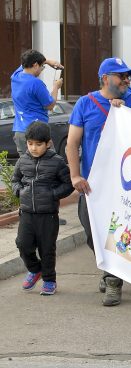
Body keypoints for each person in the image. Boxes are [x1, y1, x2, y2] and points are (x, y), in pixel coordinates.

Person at [66, 57, 131, 306]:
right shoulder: (85, 103)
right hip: (92, 185)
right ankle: (108, 268)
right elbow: (72, 143)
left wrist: (125, 114)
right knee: (92, 233)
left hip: (123, 186)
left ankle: (113, 281)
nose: (126, 80)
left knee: (116, 233)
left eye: (128, 76)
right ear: (105, 78)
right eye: (121, 76)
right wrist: (75, 176)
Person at [11, 121, 74, 295]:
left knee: (47, 249)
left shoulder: (57, 162)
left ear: (48, 143)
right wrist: (19, 191)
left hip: (48, 215)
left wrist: (52, 194)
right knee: (22, 244)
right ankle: (35, 269)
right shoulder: (23, 160)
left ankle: (49, 280)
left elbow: (68, 184)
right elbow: (15, 180)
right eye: (30, 143)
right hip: (27, 213)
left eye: (38, 144)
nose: (33, 148)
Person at [10, 49, 64, 154]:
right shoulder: (36, 83)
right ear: (35, 65)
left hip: (19, 132)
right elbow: (50, 105)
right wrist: (56, 87)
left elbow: (25, 62)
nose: (42, 69)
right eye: (42, 66)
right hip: (37, 132)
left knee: (26, 163)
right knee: (49, 162)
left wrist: (47, 61)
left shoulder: (15, 76)